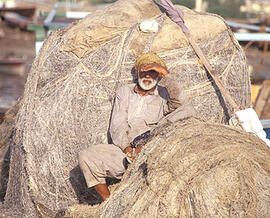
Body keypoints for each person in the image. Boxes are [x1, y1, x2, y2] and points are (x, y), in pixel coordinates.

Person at [78, 52, 196, 201]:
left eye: (152, 72)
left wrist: (165, 73)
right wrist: (128, 150)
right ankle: (109, 204)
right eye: (144, 71)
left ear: (158, 75)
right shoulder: (125, 92)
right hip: (126, 152)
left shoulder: (164, 94)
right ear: (138, 72)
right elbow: (118, 124)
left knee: (188, 111)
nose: (147, 76)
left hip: (152, 148)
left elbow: (180, 104)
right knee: (87, 156)